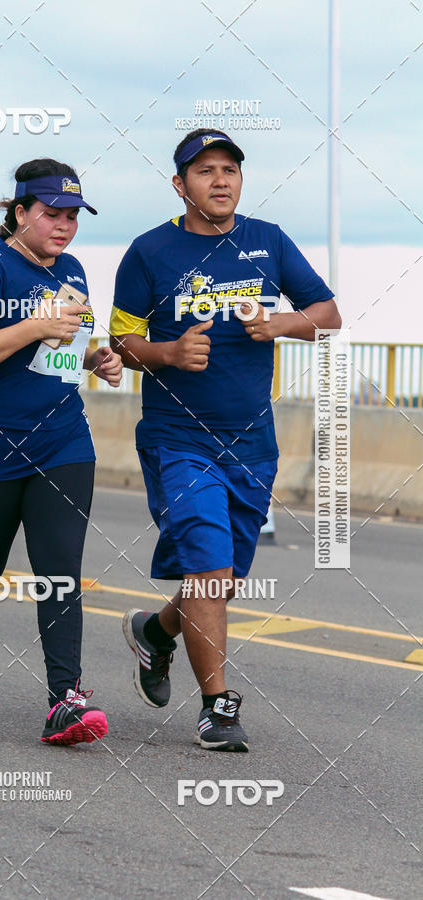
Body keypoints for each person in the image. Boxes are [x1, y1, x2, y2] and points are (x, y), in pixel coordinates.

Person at [110, 129, 341, 752]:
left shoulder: (267, 242)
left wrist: (280, 323)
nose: (220, 180)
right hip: (177, 438)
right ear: (180, 183)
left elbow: (328, 314)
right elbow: (121, 343)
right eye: (205, 170)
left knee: (221, 578)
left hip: (252, 444)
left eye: (230, 169)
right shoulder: (148, 252)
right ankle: (217, 708)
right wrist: (168, 351)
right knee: (208, 564)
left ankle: (156, 633)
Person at [0, 158, 122, 746]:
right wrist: (35, 326)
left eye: (72, 216)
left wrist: (96, 358)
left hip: (61, 440)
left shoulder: (76, 270)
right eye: (51, 214)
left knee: (59, 571)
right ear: (19, 213)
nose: (63, 226)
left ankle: (66, 700)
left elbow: (63, 352)